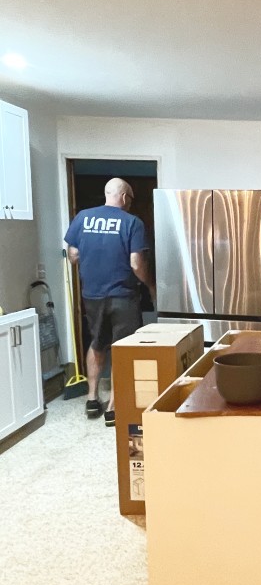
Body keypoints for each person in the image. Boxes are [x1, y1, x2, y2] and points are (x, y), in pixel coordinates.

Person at [64, 177, 155, 426]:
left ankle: (92, 398)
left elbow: (72, 254)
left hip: (92, 295)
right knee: (122, 349)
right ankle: (114, 406)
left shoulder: (83, 217)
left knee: (97, 343)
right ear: (125, 197)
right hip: (123, 296)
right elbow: (136, 263)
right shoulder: (132, 222)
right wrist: (149, 285)